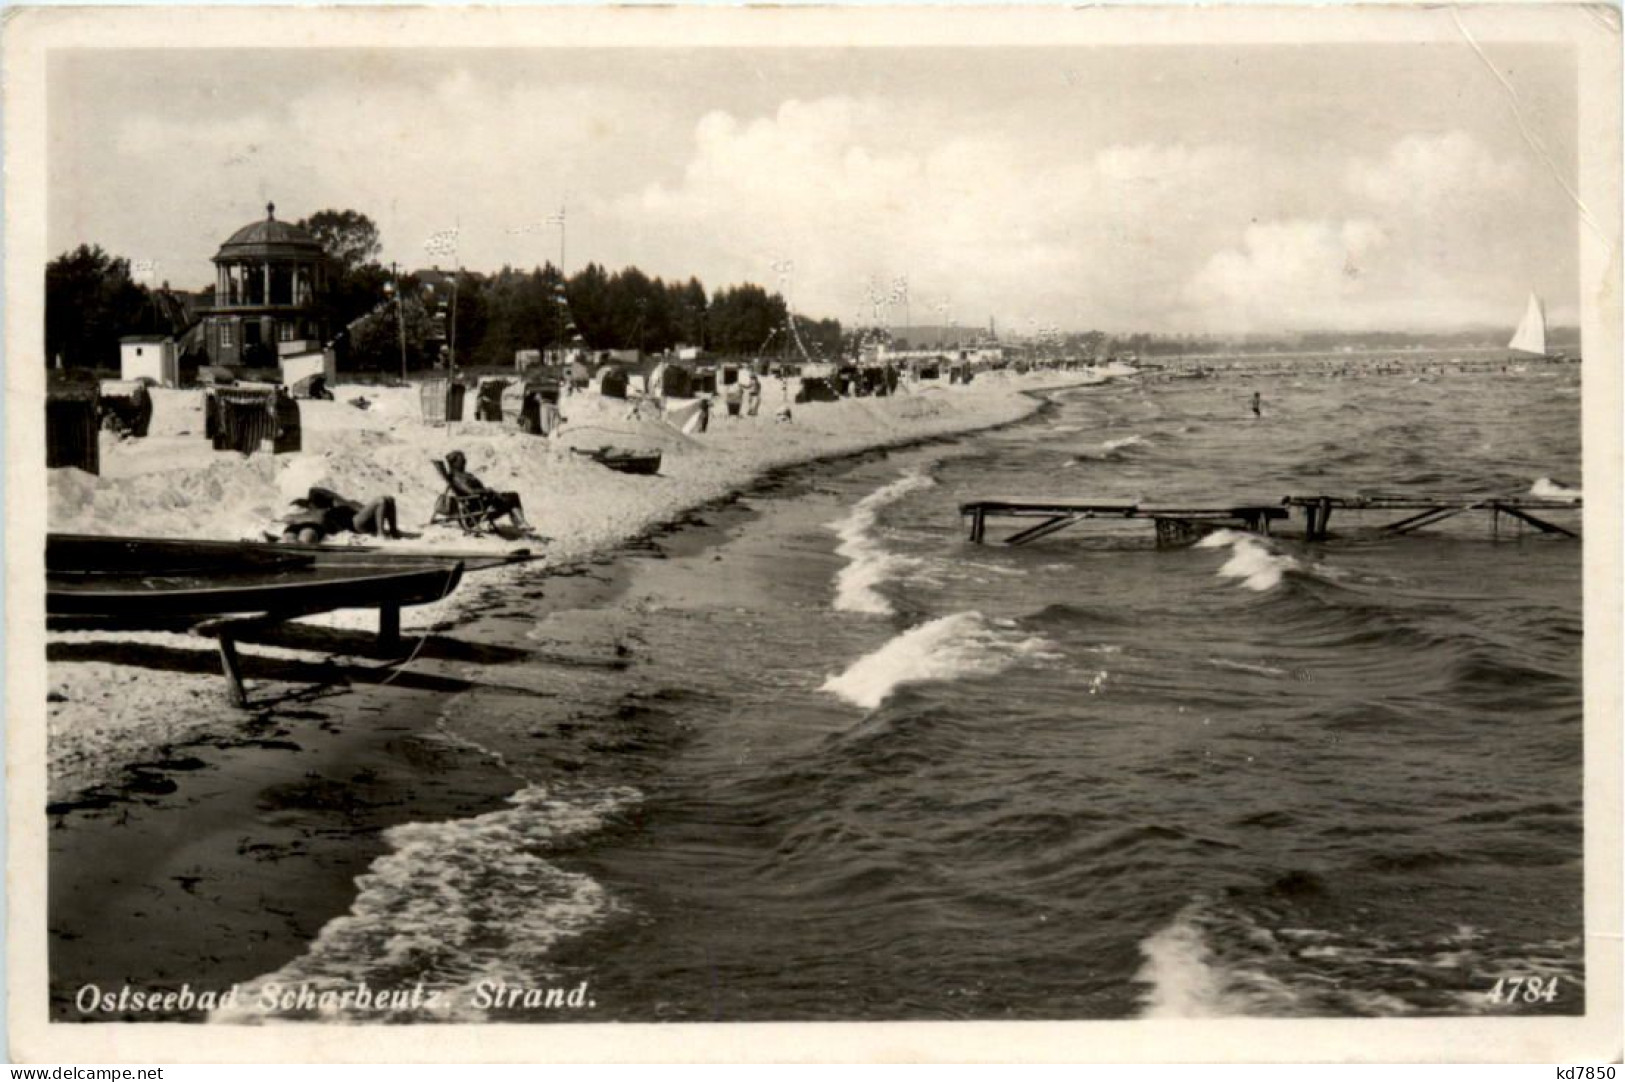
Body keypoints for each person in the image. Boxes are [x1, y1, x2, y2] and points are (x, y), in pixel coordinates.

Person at [444, 450, 531, 529]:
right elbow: (470, 492)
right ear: (454, 463)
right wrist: (486, 491)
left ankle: (520, 522)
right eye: (462, 460)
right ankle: (520, 522)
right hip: (478, 508)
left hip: (480, 502)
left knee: (511, 496)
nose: (465, 461)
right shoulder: (457, 478)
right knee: (513, 498)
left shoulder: (461, 475)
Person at [283, 486, 400, 543]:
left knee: (389, 499)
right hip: (355, 523)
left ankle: (393, 531)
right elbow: (315, 492)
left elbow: (327, 495)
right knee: (381, 500)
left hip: (360, 521)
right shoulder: (327, 510)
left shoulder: (344, 504)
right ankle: (382, 533)